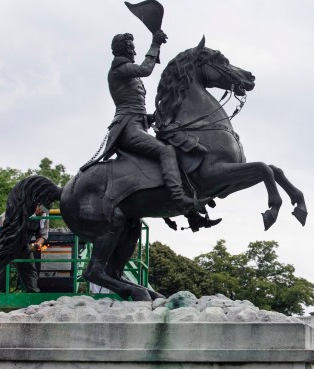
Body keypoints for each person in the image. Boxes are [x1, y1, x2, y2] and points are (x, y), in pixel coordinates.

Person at [90, 30, 219, 231]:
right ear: (124, 49)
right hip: (127, 129)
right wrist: (155, 44)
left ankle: (192, 214)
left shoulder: (125, 70)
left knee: (172, 146)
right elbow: (146, 69)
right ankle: (180, 199)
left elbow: (135, 105)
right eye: (131, 47)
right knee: (166, 151)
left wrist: (153, 117)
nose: (134, 50)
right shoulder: (119, 68)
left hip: (138, 124)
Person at [0, 205, 49, 293]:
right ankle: (1, 293)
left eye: (43, 210)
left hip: (22, 238)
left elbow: (43, 235)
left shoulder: (45, 216)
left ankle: (32, 293)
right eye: (38, 208)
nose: (40, 211)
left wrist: (36, 245)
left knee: (28, 262)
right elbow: (5, 220)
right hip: (3, 232)